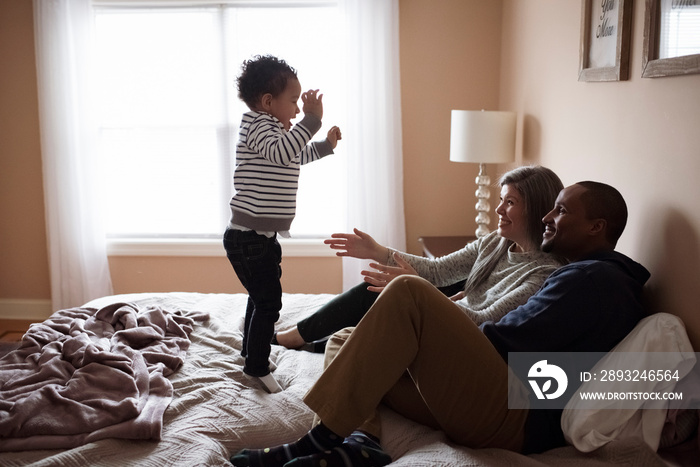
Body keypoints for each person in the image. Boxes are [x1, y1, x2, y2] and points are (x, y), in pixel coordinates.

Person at [230, 181, 651, 467]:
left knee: (408, 294)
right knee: (348, 336)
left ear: (597, 227)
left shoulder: (591, 279)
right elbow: (444, 274)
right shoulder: (590, 276)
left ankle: (316, 442)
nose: (548, 217)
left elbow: (503, 340)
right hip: (503, 398)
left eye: (561, 211)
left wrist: (429, 337)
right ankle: (362, 445)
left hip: (516, 414)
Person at [274, 165, 565, 352]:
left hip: (462, 339)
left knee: (388, 303)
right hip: (447, 316)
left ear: (537, 210)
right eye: (501, 199)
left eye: (510, 202)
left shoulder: (542, 274)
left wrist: (421, 292)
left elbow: (483, 322)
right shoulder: (496, 242)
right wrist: (377, 251)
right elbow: (438, 271)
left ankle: (313, 342)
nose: (499, 210)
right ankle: (305, 339)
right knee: (376, 291)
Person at [223, 55, 342, 393]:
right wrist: (312, 119)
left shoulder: (277, 131)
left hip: (262, 237)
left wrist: (325, 146)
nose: (296, 109)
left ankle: (251, 352)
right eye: (293, 102)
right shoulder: (256, 125)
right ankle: (256, 366)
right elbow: (281, 153)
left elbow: (294, 155)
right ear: (267, 102)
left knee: (261, 297)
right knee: (269, 303)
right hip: (247, 239)